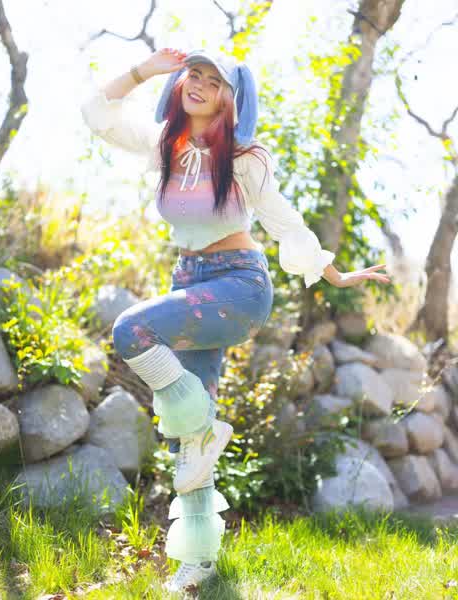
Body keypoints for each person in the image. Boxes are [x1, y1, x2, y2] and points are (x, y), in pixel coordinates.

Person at [80, 47, 390, 592]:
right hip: (189, 282)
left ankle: (205, 424)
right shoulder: (164, 144)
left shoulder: (245, 157)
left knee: (131, 330)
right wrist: (144, 70)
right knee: (188, 443)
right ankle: (198, 562)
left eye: (213, 80)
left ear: (231, 97)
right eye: (191, 75)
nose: (197, 84)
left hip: (239, 286)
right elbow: (96, 113)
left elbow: (284, 221)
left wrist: (334, 273)